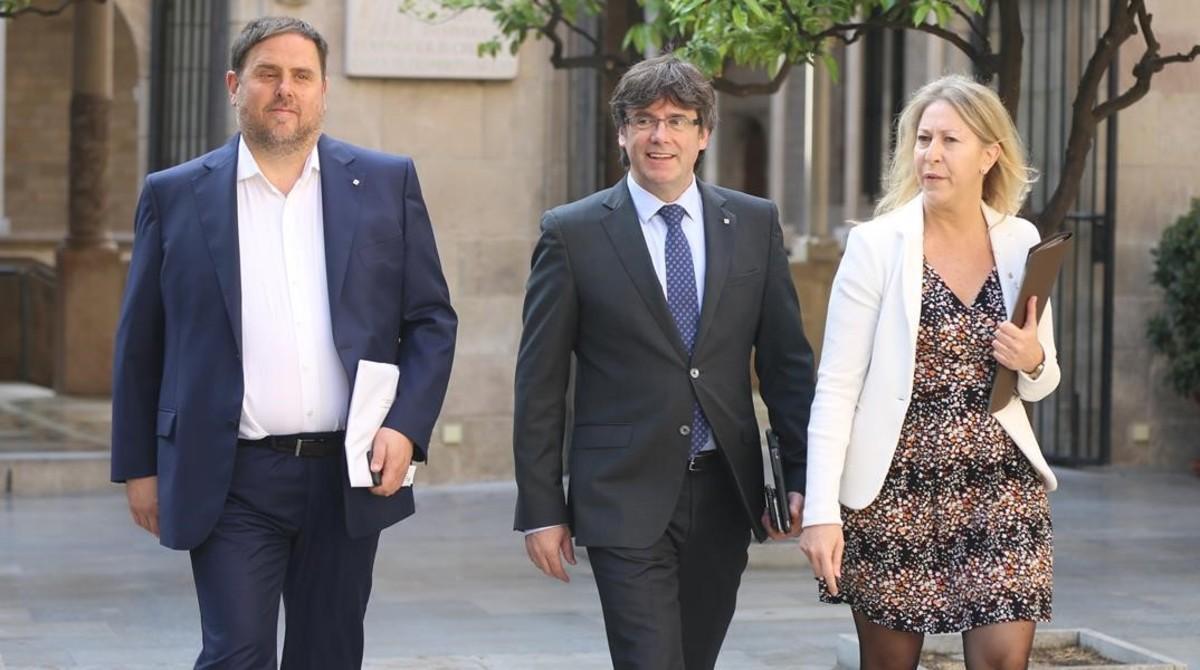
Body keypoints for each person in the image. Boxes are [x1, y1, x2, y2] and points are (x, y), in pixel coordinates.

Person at [110, 17, 457, 669]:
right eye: (268, 74)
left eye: (301, 76)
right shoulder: (175, 194)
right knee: (236, 651)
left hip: (347, 472)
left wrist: (406, 427)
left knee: (327, 654)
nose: (284, 89)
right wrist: (139, 466)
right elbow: (140, 343)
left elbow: (432, 320)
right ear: (235, 85)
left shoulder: (385, 183)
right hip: (231, 472)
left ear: (324, 91)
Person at [512, 55, 816, 670]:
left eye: (678, 120)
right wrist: (541, 508)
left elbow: (787, 363)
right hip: (621, 493)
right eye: (644, 120)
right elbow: (539, 383)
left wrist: (804, 476)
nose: (660, 136)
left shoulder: (753, 223)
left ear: (703, 134)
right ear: (621, 131)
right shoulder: (572, 233)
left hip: (725, 492)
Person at [798, 74, 1060, 669]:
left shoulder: (1022, 241)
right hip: (895, 486)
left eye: (949, 140)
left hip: (999, 481)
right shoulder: (875, 245)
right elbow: (837, 386)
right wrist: (821, 512)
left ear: (989, 154)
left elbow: (1044, 378)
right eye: (922, 139)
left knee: (1002, 661)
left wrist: (1032, 360)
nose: (931, 155)